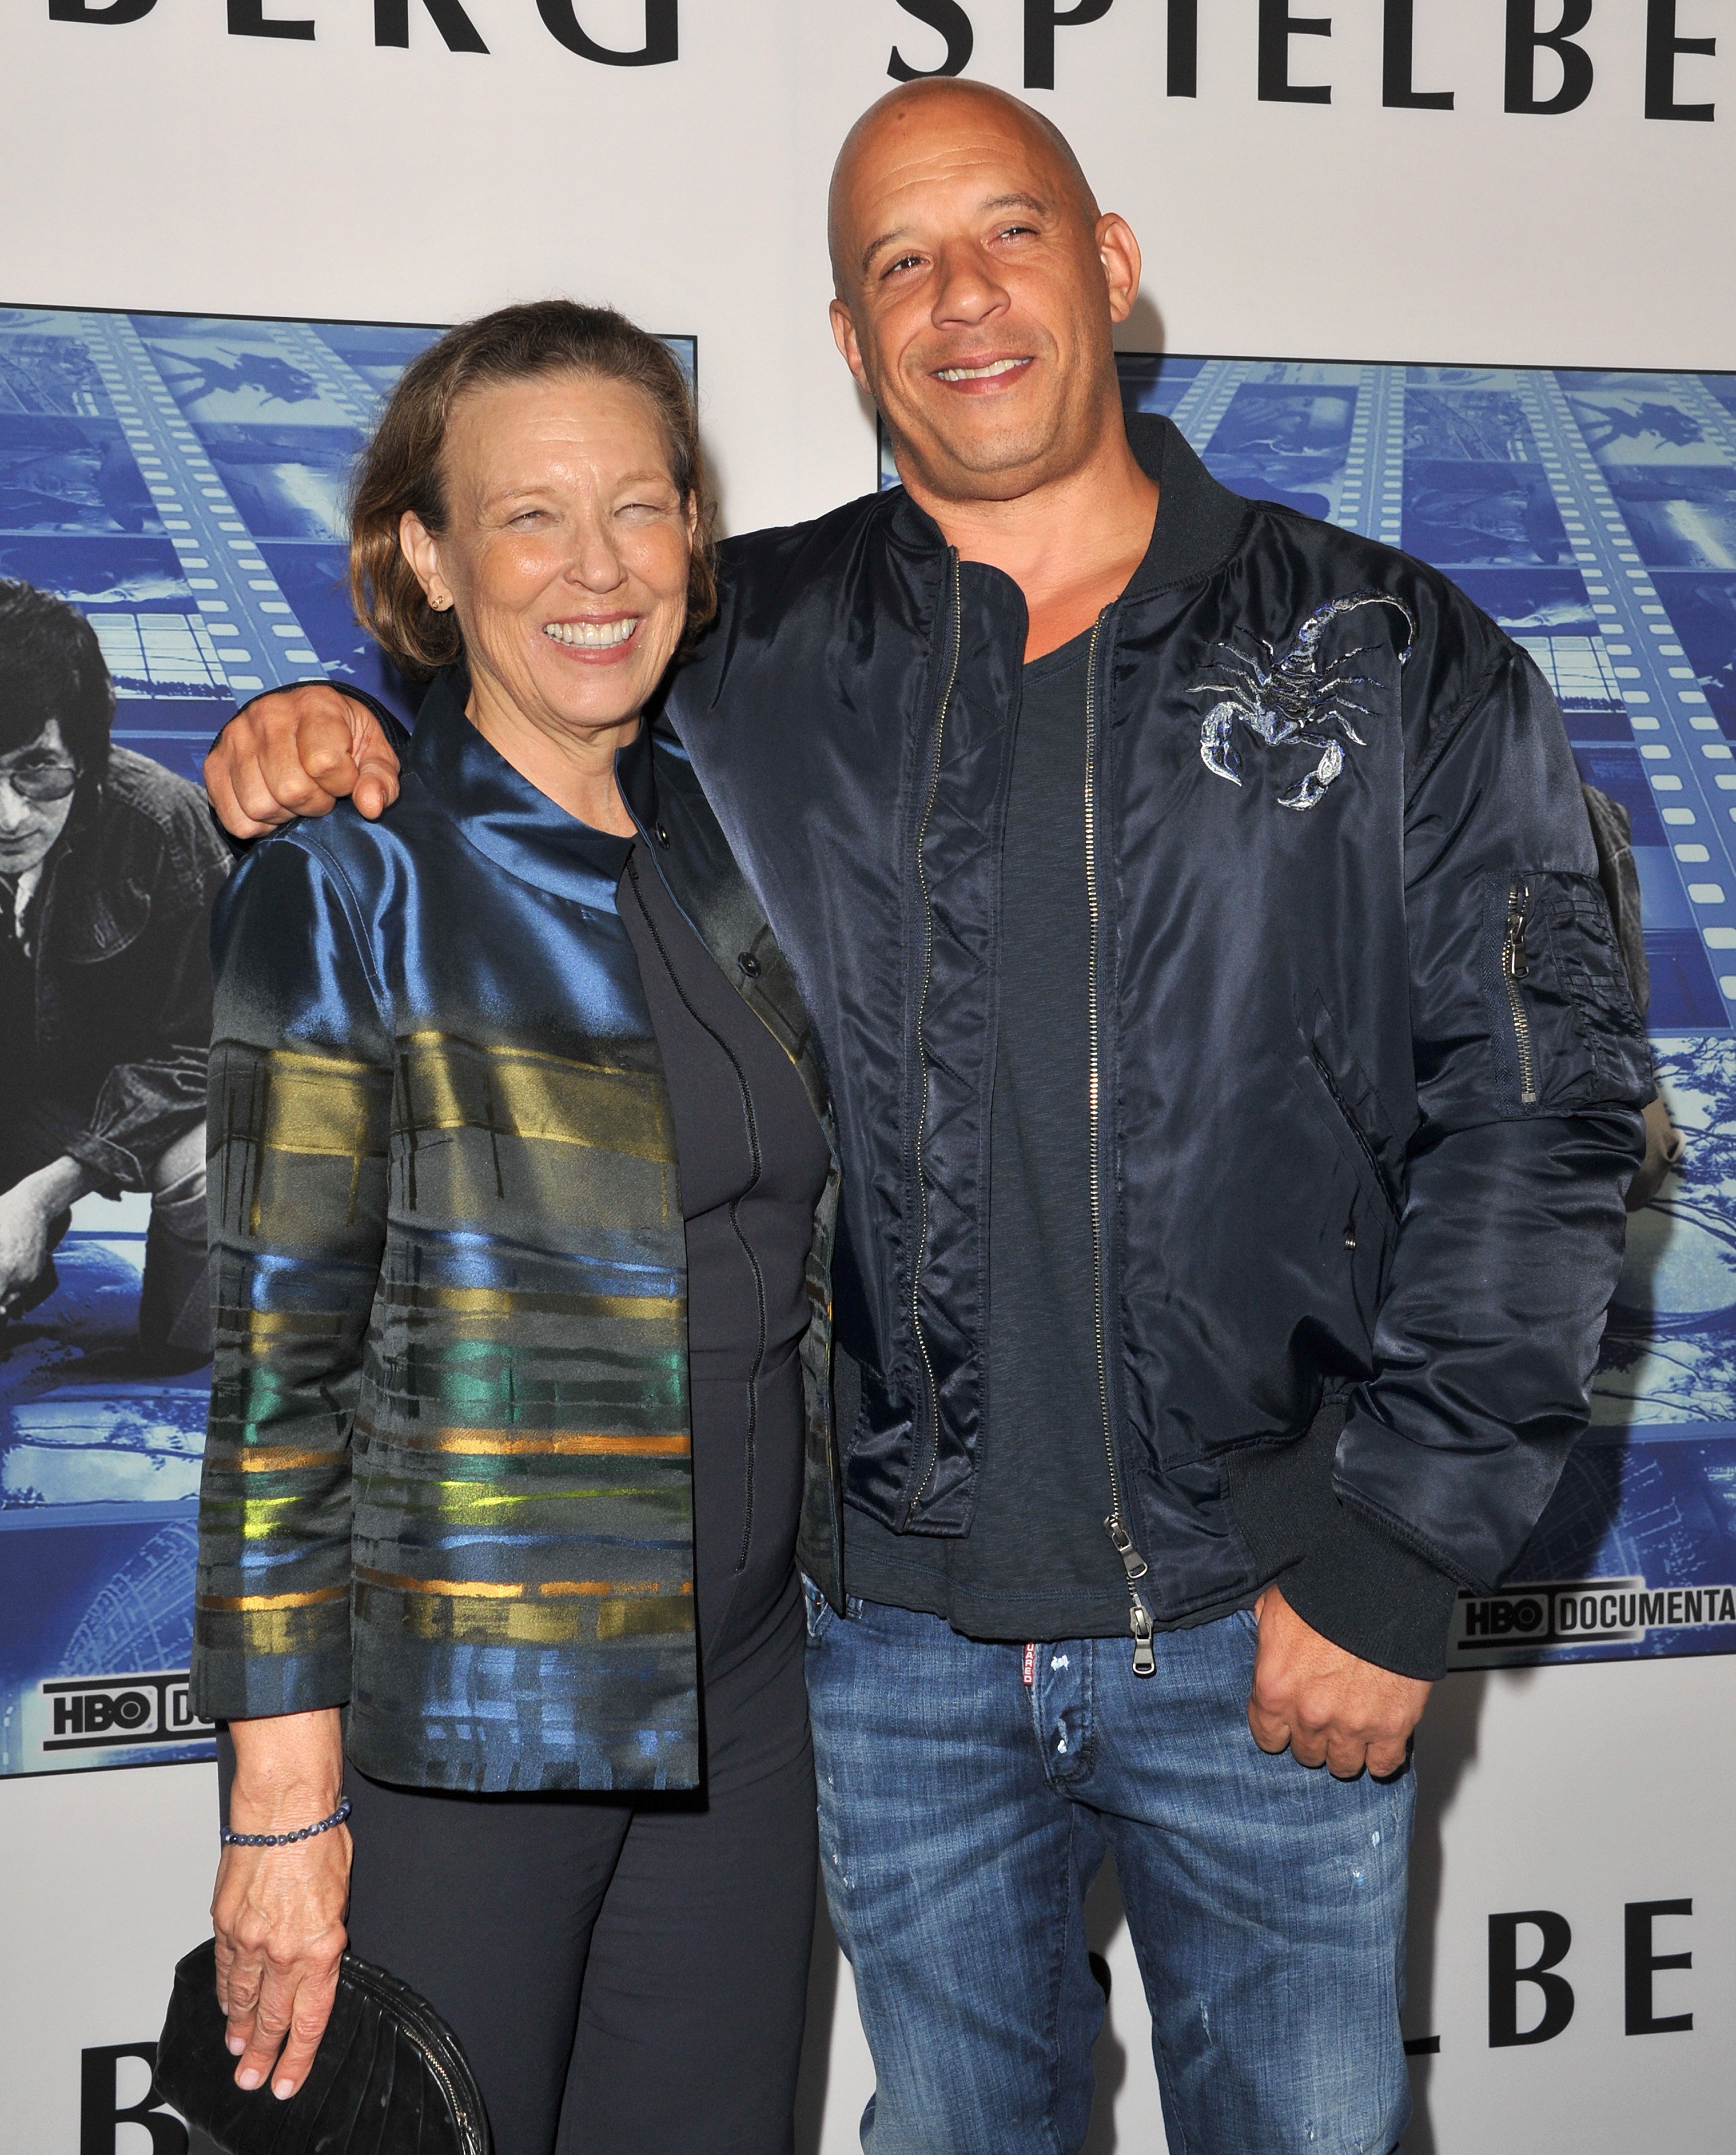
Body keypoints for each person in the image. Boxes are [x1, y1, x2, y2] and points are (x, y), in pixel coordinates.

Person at [203, 84, 1653, 2155]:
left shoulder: (1393, 653)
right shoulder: (740, 644)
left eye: (1009, 235)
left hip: (1271, 1621)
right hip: (875, 1659)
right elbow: (523, 690)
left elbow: (1544, 1113)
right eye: (900, 262)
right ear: (846, 337)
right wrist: (324, 717)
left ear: (1112, 261)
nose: (961, 298)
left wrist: (1403, 1561)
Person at [192, 303, 838, 2155]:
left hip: (746, 1707)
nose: (596, 567)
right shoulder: (350, 881)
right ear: (426, 555)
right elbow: (275, 1386)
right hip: (455, 1732)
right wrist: (281, 1811)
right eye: (529, 517)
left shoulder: (732, 845)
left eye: (639, 507)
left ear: (696, 535)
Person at [0, 579, 227, 1363]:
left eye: (37, 771)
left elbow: (208, 1050)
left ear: (86, 760)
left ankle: (187, 1328)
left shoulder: (161, 825)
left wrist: (43, 1193)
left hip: (139, 1097)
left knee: (222, 1154)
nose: (9, 816)